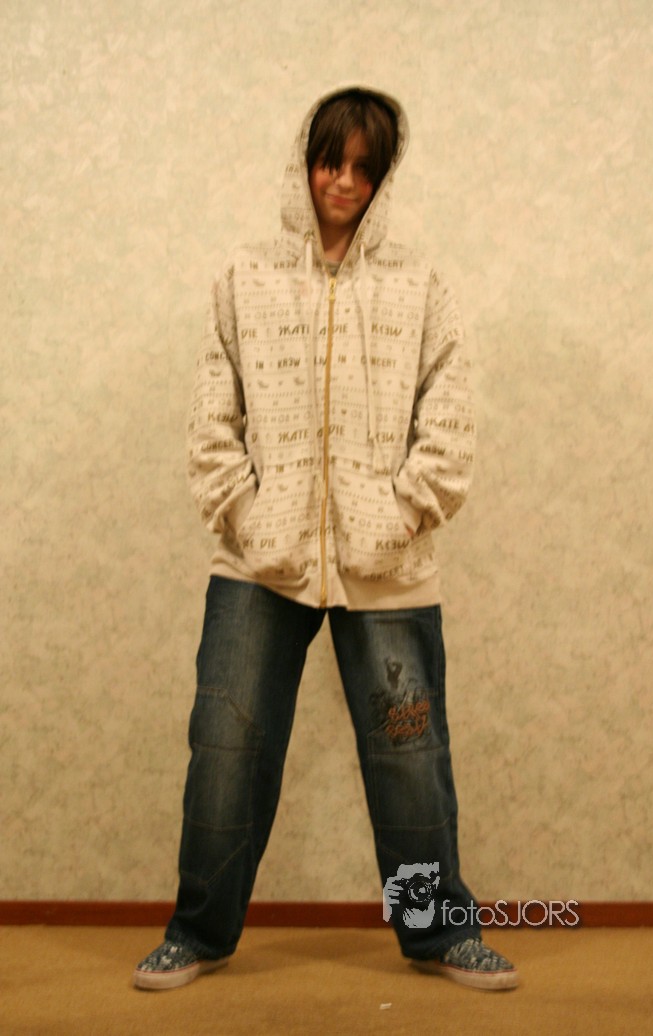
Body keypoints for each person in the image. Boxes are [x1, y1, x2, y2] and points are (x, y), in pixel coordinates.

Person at [133, 86, 518, 993]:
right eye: (328, 161)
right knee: (226, 750)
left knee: (408, 761)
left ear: (381, 178)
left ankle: (435, 933)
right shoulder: (245, 277)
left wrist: (403, 512)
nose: (341, 182)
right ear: (304, 162)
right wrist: (246, 513)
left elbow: (450, 417)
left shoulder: (419, 284)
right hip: (257, 564)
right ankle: (198, 932)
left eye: (361, 168)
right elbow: (210, 416)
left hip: (389, 566)